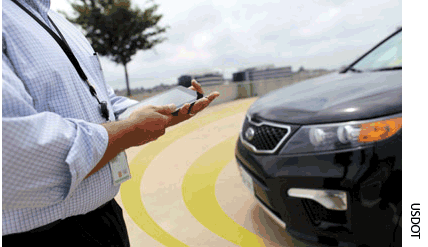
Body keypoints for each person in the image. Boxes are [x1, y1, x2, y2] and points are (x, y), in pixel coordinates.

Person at [2, 0, 220, 246]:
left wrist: (163, 112)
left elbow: (104, 102)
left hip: (106, 219)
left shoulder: (59, 22)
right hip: (43, 237)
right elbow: (13, 152)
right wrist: (129, 131)